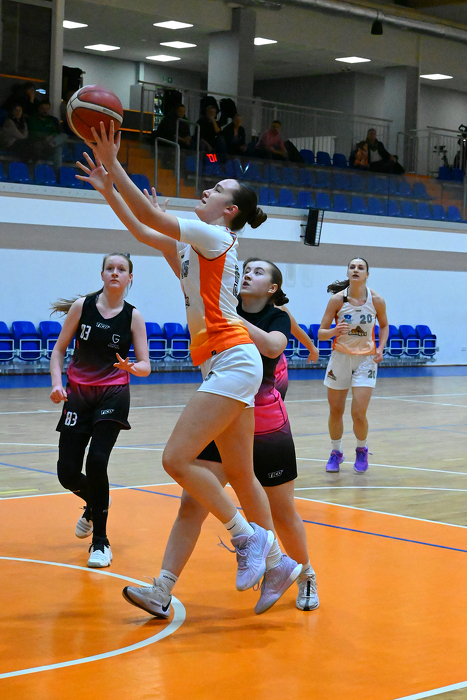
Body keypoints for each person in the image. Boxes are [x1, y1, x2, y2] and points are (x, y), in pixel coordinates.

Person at [77, 122, 302, 613]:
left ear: (230, 210)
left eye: (217, 189)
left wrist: (114, 163)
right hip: (224, 364)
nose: (206, 190)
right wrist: (108, 189)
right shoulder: (194, 247)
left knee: (176, 460)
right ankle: (277, 563)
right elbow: (143, 228)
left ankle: (246, 538)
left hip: (233, 360)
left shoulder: (215, 236)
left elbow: (148, 214)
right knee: (240, 474)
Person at [122, 257, 320, 616]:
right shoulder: (223, 304)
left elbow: (273, 346)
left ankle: (305, 574)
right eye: (246, 269)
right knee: (191, 504)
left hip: (266, 426)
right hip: (223, 413)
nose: (248, 274)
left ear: (273, 288)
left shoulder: (275, 316)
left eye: (258, 272)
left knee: (282, 511)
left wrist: (236, 319)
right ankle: (162, 590)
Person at [49, 253, 151, 568]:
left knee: (96, 462)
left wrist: (132, 367)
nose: (115, 273)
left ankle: (101, 543)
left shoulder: (133, 316)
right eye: (110, 268)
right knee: (67, 473)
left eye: (121, 269)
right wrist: (57, 383)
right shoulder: (83, 307)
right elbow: (59, 350)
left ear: (130, 278)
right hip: (78, 395)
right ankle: (96, 502)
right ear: (102, 274)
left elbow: (146, 366)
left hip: (113, 394)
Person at [318, 258, 389, 474]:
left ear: (367, 274)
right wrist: (333, 331)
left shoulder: (377, 300)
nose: (356, 270)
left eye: (360, 267)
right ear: (348, 272)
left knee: (358, 412)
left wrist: (381, 348)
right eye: (352, 267)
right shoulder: (337, 300)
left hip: (366, 360)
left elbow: (384, 325)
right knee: (336, 410)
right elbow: (321, 334)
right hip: (340, 358)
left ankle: (361, 449)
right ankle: (336, 451)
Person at [28, 100, 68, 168]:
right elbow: (33, 134)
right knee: (58, 148)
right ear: (39, 108)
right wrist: (46, 137)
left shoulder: (50, 120)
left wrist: (51, 137)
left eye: (47, 109)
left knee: (64, 137)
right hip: (39, 144)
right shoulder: (33, 120)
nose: (45, 111)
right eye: (43, 108)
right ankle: (57, 171)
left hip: (50, 144)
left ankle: (57, 171)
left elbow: (55, 133)